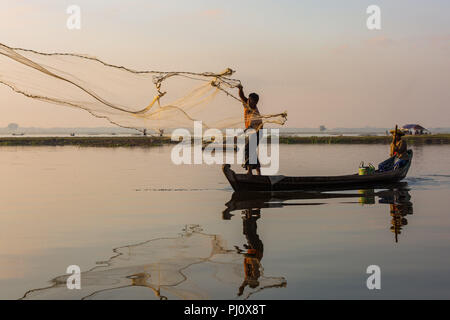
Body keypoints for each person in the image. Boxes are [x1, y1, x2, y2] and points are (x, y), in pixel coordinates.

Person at [237, 84, 263, 175]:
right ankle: (258, 172)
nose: (248, 100)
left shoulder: (253, 108)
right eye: (249, 99)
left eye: (250, 100)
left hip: (257, 131)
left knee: (249, 149)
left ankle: (249, 172)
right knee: (251, 150)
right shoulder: (247, 104)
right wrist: (240, 88)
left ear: (255, 102)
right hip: (251, 131)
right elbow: (241, 96)